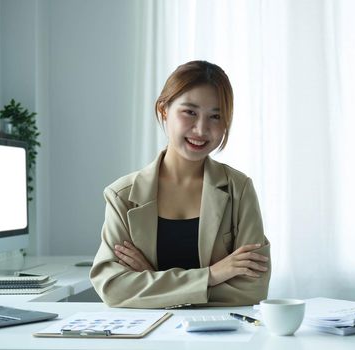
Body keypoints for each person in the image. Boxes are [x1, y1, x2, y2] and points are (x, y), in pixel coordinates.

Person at [90, 60, 271, 308]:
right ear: (164, 110)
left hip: (221, 336)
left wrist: (152, 280)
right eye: (190, 112)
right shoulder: (122, 195)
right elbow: (113, 289)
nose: (201, 129)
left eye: (215, 116)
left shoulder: (239, 189)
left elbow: (252, 289)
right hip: (145, 337)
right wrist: (213, 274)